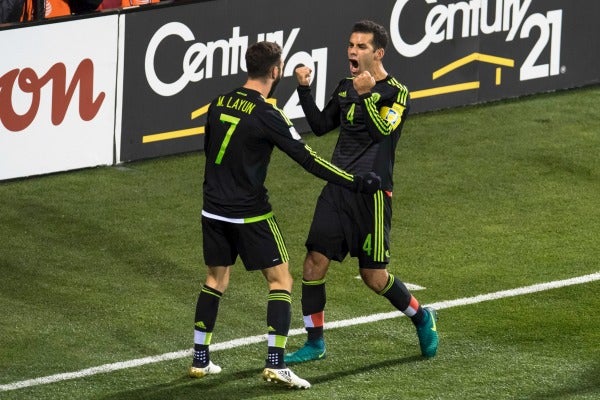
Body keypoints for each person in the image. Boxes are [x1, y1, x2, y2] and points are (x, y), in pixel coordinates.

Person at [189, 41, 381, 390]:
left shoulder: (218, 102)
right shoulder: (268, 114)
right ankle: (276, 363)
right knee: (281, 281)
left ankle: (200, 359)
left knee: (215, 279)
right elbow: (307, 158)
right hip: (249, 213)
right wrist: (354, 182)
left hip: (212, 208)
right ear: (275, 72)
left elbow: (209, 149)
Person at [284, 20, 439, 364]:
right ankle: (314, 342)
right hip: (337, 188)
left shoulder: (396, 92)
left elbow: (383, 130)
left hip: (373, 196)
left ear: (378, 53)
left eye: (361, 46)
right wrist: (304, 90)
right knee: (313, 264)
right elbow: (323, 126)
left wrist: (368, 95)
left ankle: (421, 316)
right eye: (351, 45)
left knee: (374, 276)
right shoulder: (344, 86)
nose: (353, 51)